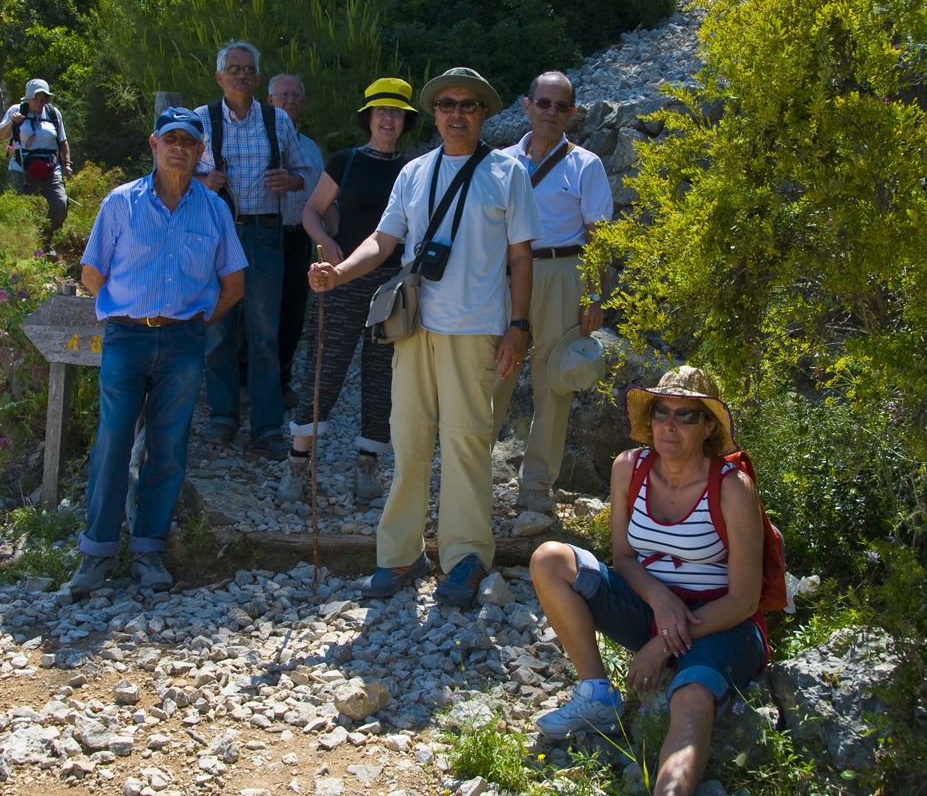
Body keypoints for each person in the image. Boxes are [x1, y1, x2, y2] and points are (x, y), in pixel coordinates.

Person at [309, 67, 540, 608]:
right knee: (409, 441)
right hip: (414, 328)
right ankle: (399, 554)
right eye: (447, 104)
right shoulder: (413, 172)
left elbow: (521, 256)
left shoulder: (508, 172)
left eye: (468, 105)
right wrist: (338, 273)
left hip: (476, 329)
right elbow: (383, 239)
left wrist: (519, 326)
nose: (457, 113)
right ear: (434, 114)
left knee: (466, 444)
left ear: (483, 114)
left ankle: (466, 557)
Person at [528, 366, 766, 796]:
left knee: (690, 700)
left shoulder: (733, 488)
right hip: (651, 610)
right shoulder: (629, 468)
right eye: (661, 412)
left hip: (720, 623)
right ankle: (597, 694)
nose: (669, 425)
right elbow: (623, 557)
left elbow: (745, 600)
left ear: (708, 426)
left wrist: (664, 644)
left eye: (686, 415)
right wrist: (660, 599)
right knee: (551, 559)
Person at [68, 107, 247, 599]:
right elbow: (92, 273)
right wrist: (131, 310)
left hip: (183, 342)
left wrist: (194, 322)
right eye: (171, 139)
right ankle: (97, 553)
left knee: (168, 447)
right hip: (126, 338)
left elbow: (233, 284)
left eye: (189, 141)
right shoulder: (121, 202)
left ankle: (149, 550)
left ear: (201, 150)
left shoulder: (214, 209)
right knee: (112, 443)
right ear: (154, 144)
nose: (179, 148)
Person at [277, 77, 418, 505]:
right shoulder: (347, 161)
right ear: (368, 118)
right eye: (381, 111)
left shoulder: (413, 170)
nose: (388, 119)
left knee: (381, 375)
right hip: (342, 279)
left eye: (396, 112)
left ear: (405, 121)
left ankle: (367, 466)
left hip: (392, 283)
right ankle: (297, 465)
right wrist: (327, 243)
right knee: (325, 366)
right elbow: (312, 210)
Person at [493, 71, 613, 510]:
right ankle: (469, 476)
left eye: (561, 106)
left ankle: (536, 487)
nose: (551, 112)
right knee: (493, 373)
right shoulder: (500, 161)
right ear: (527, 106)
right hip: (507, 274)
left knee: (553, 384)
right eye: (543, 103)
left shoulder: (586, 164)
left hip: (563, 272)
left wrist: (594, 298)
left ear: (572, 113)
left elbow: (599, 235)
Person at [194, 41, 314, 461]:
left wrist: (289, 181)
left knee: (264, 334)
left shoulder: (276, 119)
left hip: (265, 233)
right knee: (218, 332)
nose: (241, 75)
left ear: (258, 78)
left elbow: (303, 173)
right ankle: (223, 417)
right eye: (233, 68)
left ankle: (266, 426)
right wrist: (202, 182)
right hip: (215, 235)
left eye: (248, 69)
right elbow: (174, 172)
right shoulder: (200, 119)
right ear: (219, 76)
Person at [266, 73, 323, 409]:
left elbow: (322, 200)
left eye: (295, 96)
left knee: (292, 313)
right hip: (261, 234)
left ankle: (281, 381)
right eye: (282, 95)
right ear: (269, 101)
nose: (289, 101)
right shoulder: (256, 142)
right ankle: (244, 382)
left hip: (298, 237)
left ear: (303, 102)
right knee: (253, 314)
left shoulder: (311, 149)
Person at [0, 78, 71, 254]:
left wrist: (67, 163)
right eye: (36, 98)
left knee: (60, 205)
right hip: (22, 169)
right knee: (22, 210)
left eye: (44, 99)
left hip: (51, 169)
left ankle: (45, 240)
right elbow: (0, 136)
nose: (40, 102)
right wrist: (12, 122)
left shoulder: (53, 113)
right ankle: (23, 248)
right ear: (28, 98)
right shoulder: (16, 111)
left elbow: (63, 141)